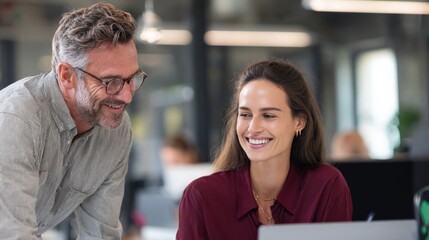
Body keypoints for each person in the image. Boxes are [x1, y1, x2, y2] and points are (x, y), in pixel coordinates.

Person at [0, 3, 146, 239]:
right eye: (110, 82)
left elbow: (100, 233)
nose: (126, 95)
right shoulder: (17, 120)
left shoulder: (116, 129)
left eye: (131, 79)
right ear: (67, 76)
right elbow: (13, 235)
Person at [176, 59, 353, 239]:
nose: (253, 127)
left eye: (268, 115)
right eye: (245, 114)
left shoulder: (327, 186)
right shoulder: (201, 196)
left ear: (299, 122)